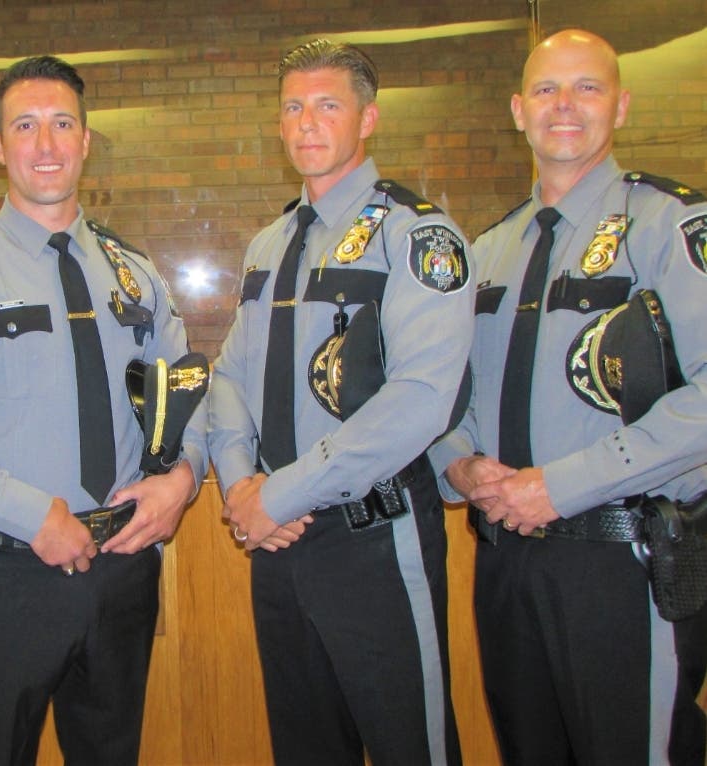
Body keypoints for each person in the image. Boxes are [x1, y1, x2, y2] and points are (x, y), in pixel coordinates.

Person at [0, 55, 207, 765]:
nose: (46, 145)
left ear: (86, 141)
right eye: (25, 126)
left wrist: (183, 481)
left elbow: (187, 392)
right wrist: (34, 516)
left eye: (62, 125)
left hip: (122, 569)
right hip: (7, 574)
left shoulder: (133, 272)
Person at [429, 29, 707, 764]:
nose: (564, 106)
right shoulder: (489, 251)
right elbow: (447, 397)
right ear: (517, 110)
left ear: (620, 105)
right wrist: (458, 467)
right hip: (506, 562)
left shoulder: (669, 225)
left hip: (625, 560)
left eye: (587, 87)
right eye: (547, 89)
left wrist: (565, 484)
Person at [208, 39, 472, 765]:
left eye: (327, 105)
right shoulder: (270, 243)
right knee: (304, 747)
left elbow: (419, 399)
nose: (306, 123)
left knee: (406, 748)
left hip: (374, 537)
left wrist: (282, 493)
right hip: (278, 544)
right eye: (292, 107)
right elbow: (230, 377)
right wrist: (239, 487)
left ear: (368, 119)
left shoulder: (416, 237)